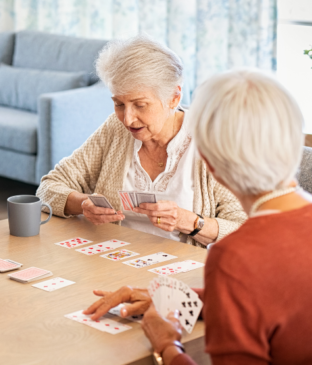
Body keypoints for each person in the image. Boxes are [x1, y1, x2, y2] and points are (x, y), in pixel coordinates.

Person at [84, 69, 312, 364]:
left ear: (210, 164)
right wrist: (175, 296)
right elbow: (275, 297)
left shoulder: (237, 257)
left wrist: (167, 347)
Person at [36, 35, 246, 247]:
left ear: (174, 97)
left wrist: (191, 222)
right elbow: (47, 188)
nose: (127, 119)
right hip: (114, 261)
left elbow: (244, 229)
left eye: (140, 105)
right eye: (118, 104)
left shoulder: (211, 139)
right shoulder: (117, 129)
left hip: (182, 271)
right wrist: (82, 204)